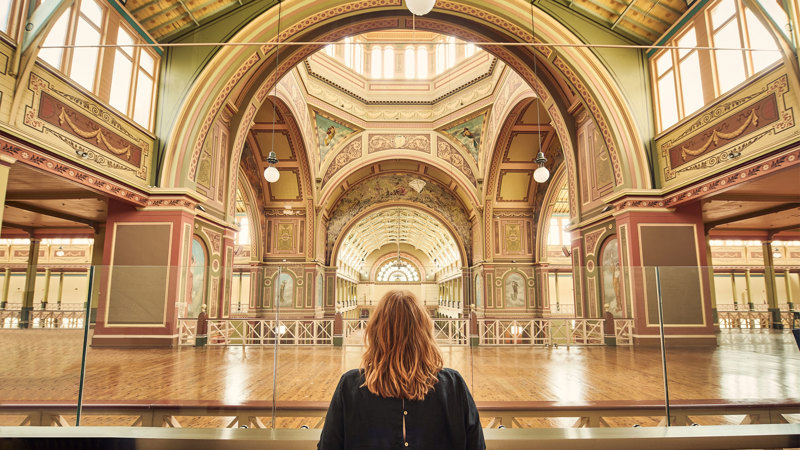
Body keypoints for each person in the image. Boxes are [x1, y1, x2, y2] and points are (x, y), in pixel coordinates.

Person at [318, 290, 485, 449]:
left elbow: (328, 445)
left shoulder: (350, 386)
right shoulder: (453, 385)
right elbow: (476, 445)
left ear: (375, 332)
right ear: (425, 332)